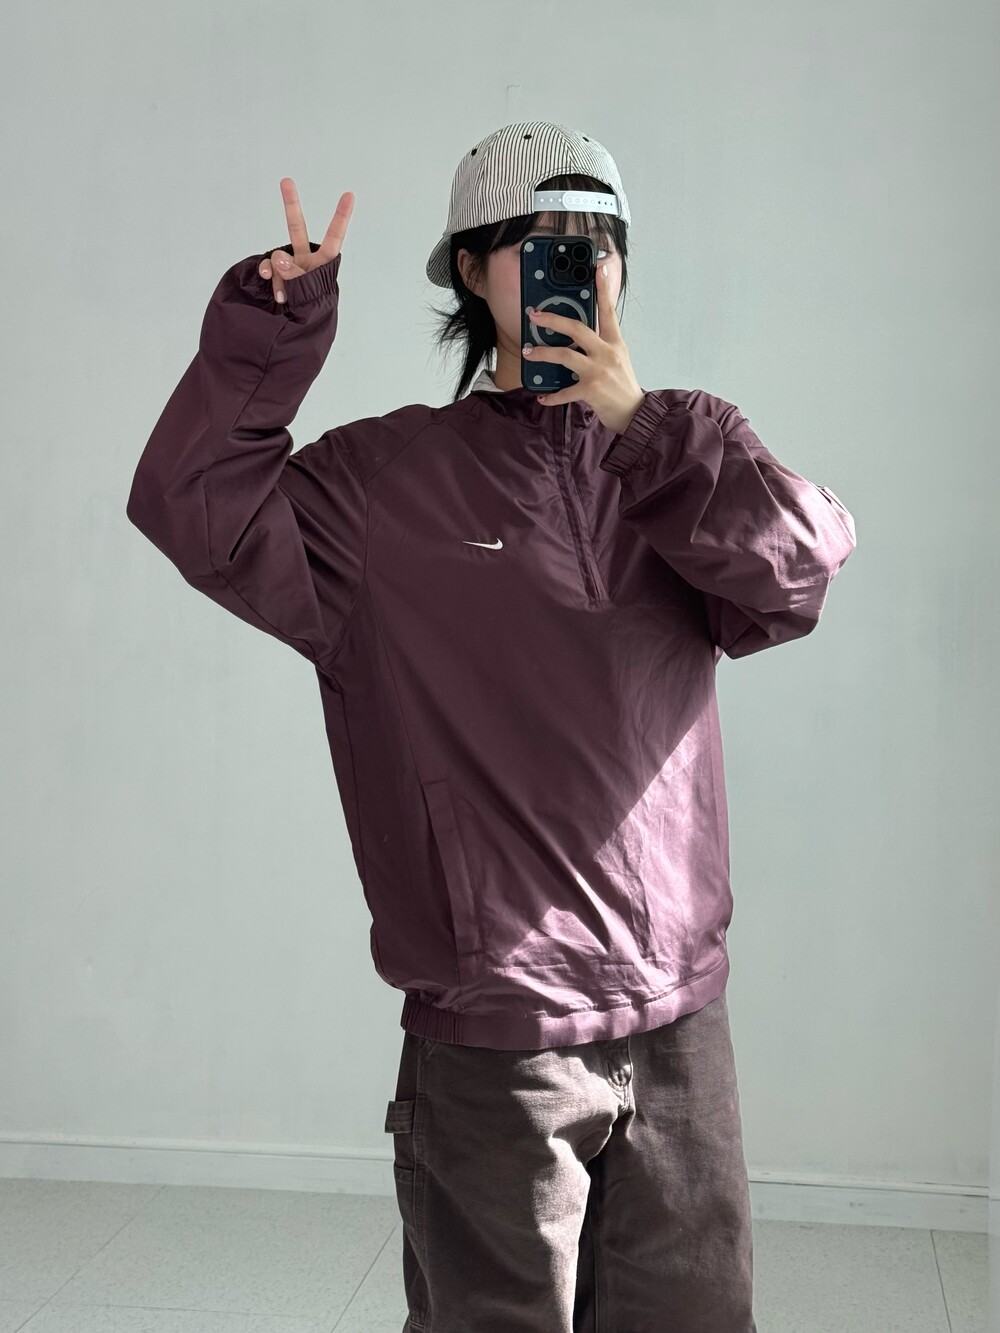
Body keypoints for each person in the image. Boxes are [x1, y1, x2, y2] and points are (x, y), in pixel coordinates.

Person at [126, 120, 857, 1332]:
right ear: (472, 269)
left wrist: (639, 426)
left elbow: (794, 575)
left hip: (680, 1024)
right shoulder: (383, 488)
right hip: (496, 1035)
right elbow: (193, 506)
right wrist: (273, 331)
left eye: (598, 243)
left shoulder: (683, 450)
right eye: (540, 243)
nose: (577, 266)